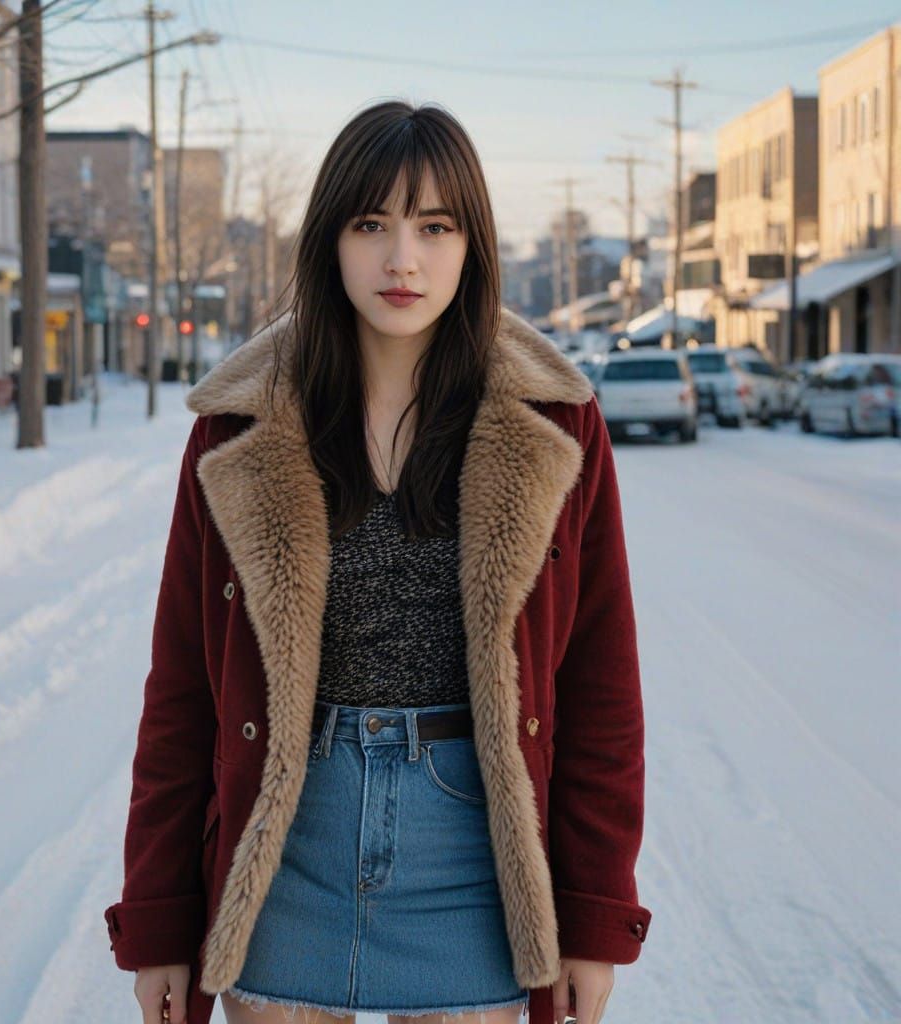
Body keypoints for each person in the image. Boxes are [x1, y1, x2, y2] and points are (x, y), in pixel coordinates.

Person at [104, 99, 651, 1024]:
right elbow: (182, 691)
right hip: (283, 851)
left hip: (472, 861)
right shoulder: (238, 425)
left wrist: (594, 917)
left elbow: (602, 685)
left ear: (473, 242)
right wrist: (159, 918)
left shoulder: (556, 423)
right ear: (330, 239)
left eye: (434, 227)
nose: (403, 259)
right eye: (372, 224)